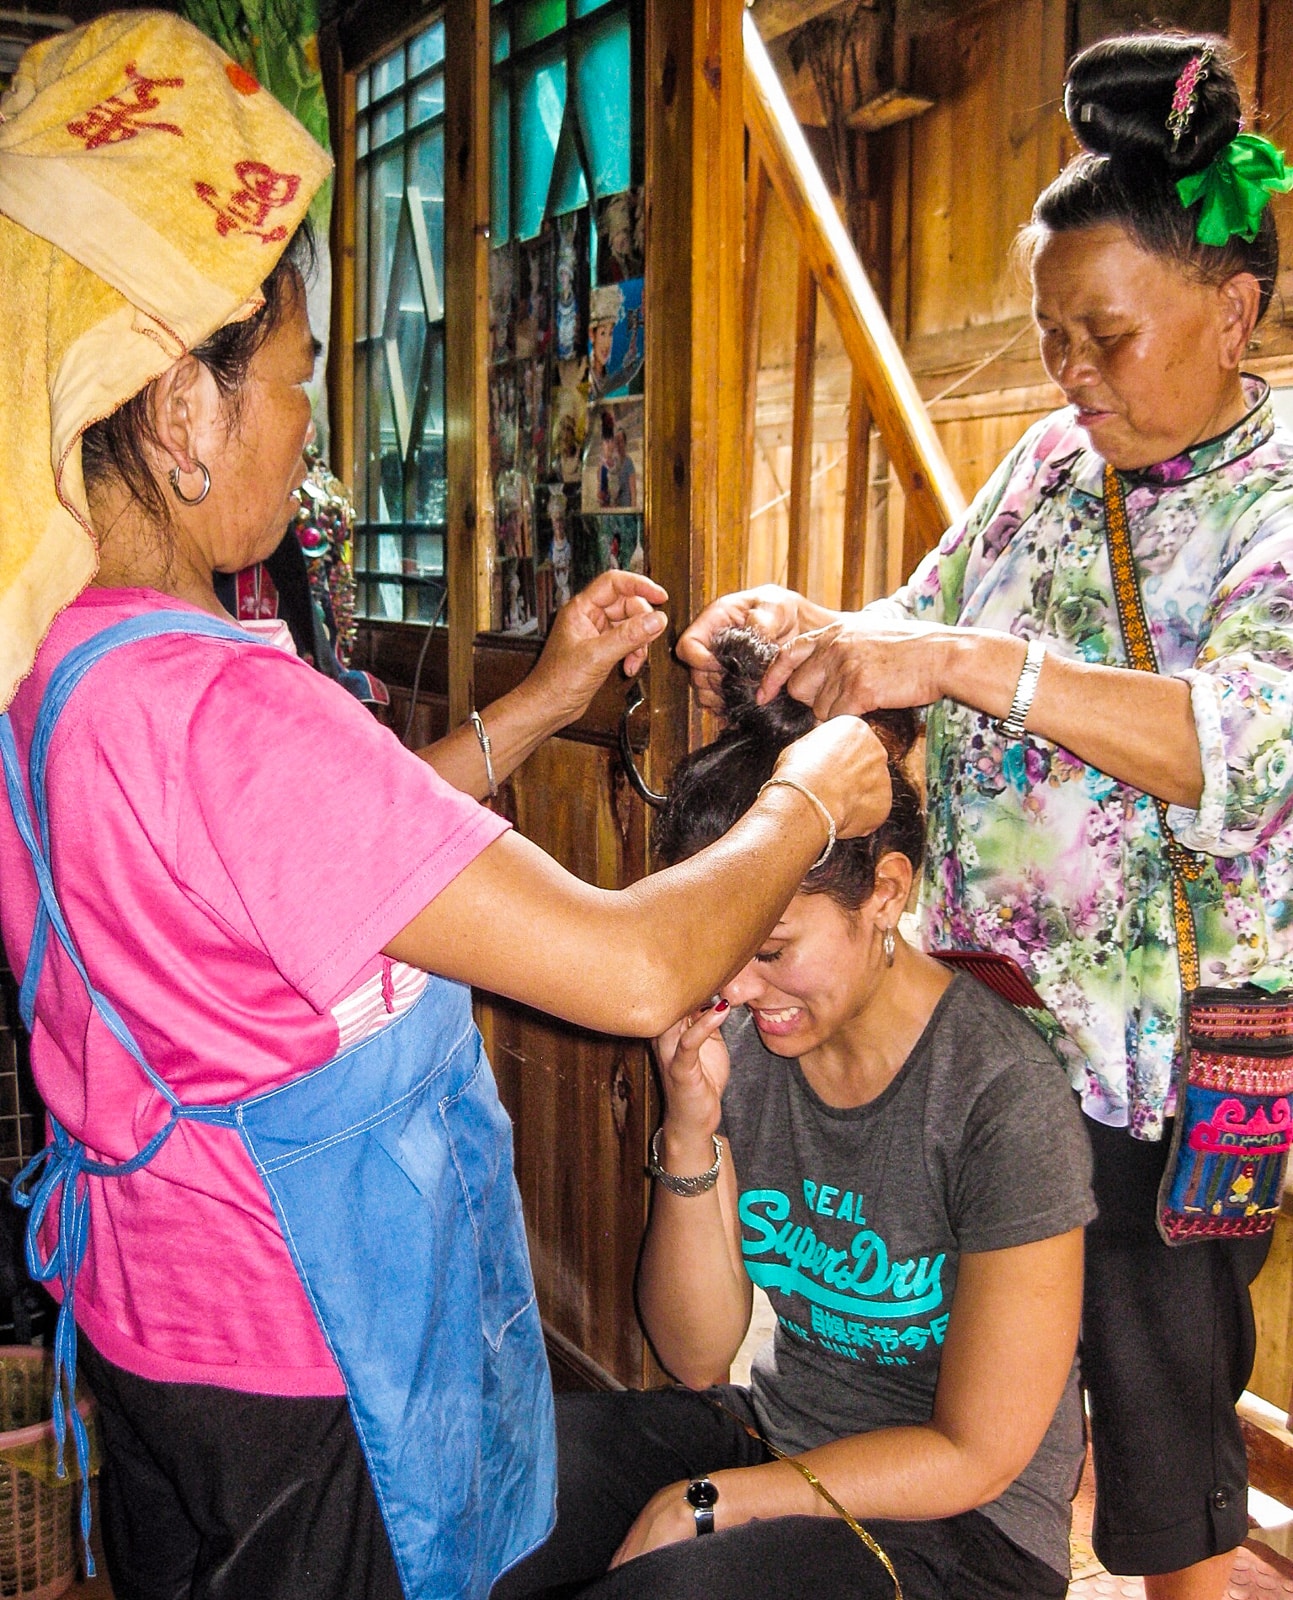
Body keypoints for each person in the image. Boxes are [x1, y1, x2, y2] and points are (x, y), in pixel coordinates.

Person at [0, 16, 893, 1600]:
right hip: (304, 1365)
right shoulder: (226, 705)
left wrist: (542, 701)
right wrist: (807, 808)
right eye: (296, 380)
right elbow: (630, 968)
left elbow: (312, 871)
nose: (309, 426)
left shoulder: (67, 665)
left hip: (160, 1336)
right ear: (186, 411)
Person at [679, 33, 1293, 1600]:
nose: (1069, 376)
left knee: (1170, 1501)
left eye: (1103, 336)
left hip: (1161, 1075)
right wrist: (806, 627)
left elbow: (1236, 744)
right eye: (1050, 340)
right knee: (986, 1439)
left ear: (1233, 311)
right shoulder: (1043, 461)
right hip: (989, 1057)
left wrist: (971, 663)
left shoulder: (1279, 498)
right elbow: (919, 619)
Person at [495, 628, 1095, 1600]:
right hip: (777, 1434)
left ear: (886, 895)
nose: (735, 982)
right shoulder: (748, 1042)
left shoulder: (1001, 1095)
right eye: (719, 945)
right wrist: (688, 1131)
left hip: (965, 1532)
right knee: (484, 1494)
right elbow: (694, 1353)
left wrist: (717, 1503)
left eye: (771, 947)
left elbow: (977, 1451)